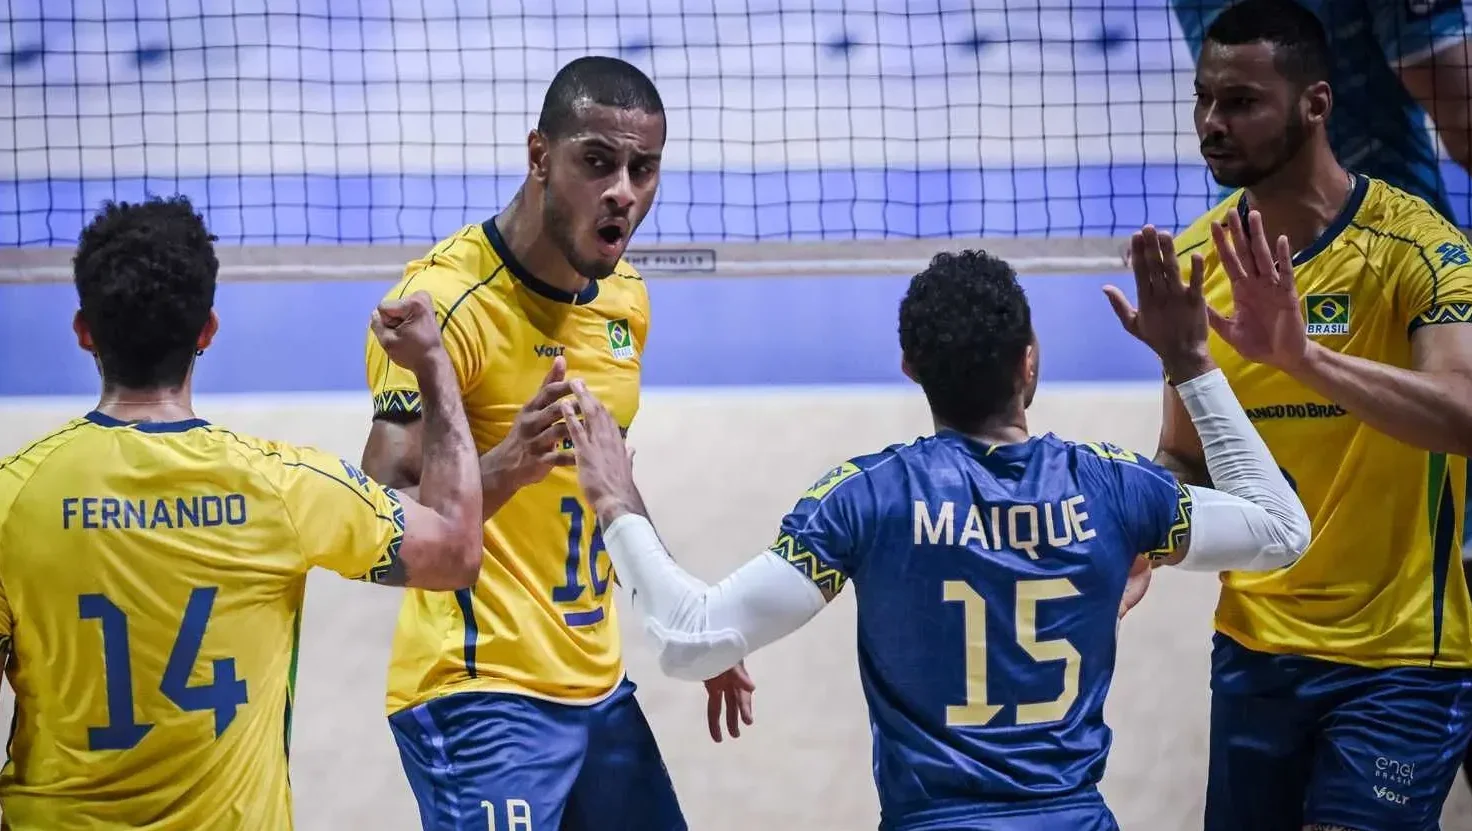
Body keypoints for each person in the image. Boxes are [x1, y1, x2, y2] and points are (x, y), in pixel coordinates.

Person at [552, 242, 1311, 830]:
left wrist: (618, 502)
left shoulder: (867, 498)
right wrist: (1192, 362)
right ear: (1029, 361)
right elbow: (1281, 529)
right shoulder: (1112, 487)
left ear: (912, 367)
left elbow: (692, 635)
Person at [0, 194, 485, 829]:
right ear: (207, 330)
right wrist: (434, 367)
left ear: (84, 330)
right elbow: (456, 548)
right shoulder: (281, 486)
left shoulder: (16, 498)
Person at [358, 55, 749, 831]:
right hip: (480, 694)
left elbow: (604, 487)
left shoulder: (626, 303)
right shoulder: (443, 305)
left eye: (644, 169)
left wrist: (683, 612)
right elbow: (382, 524)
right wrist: (506, 464)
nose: (624, 193)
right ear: (540, 156)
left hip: (597, 688)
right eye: (598, 162)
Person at [1140, 2, 1472, 828]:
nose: (1212, 124)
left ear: (1316, 105)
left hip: (1401, 661)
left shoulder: (1421, 249)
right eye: (1203, 99)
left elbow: (1466, 414)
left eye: (1242, 102)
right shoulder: (1193, 261)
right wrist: (1136, 528)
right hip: (1255, 652)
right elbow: (1185, 456)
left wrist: (1305, 358)